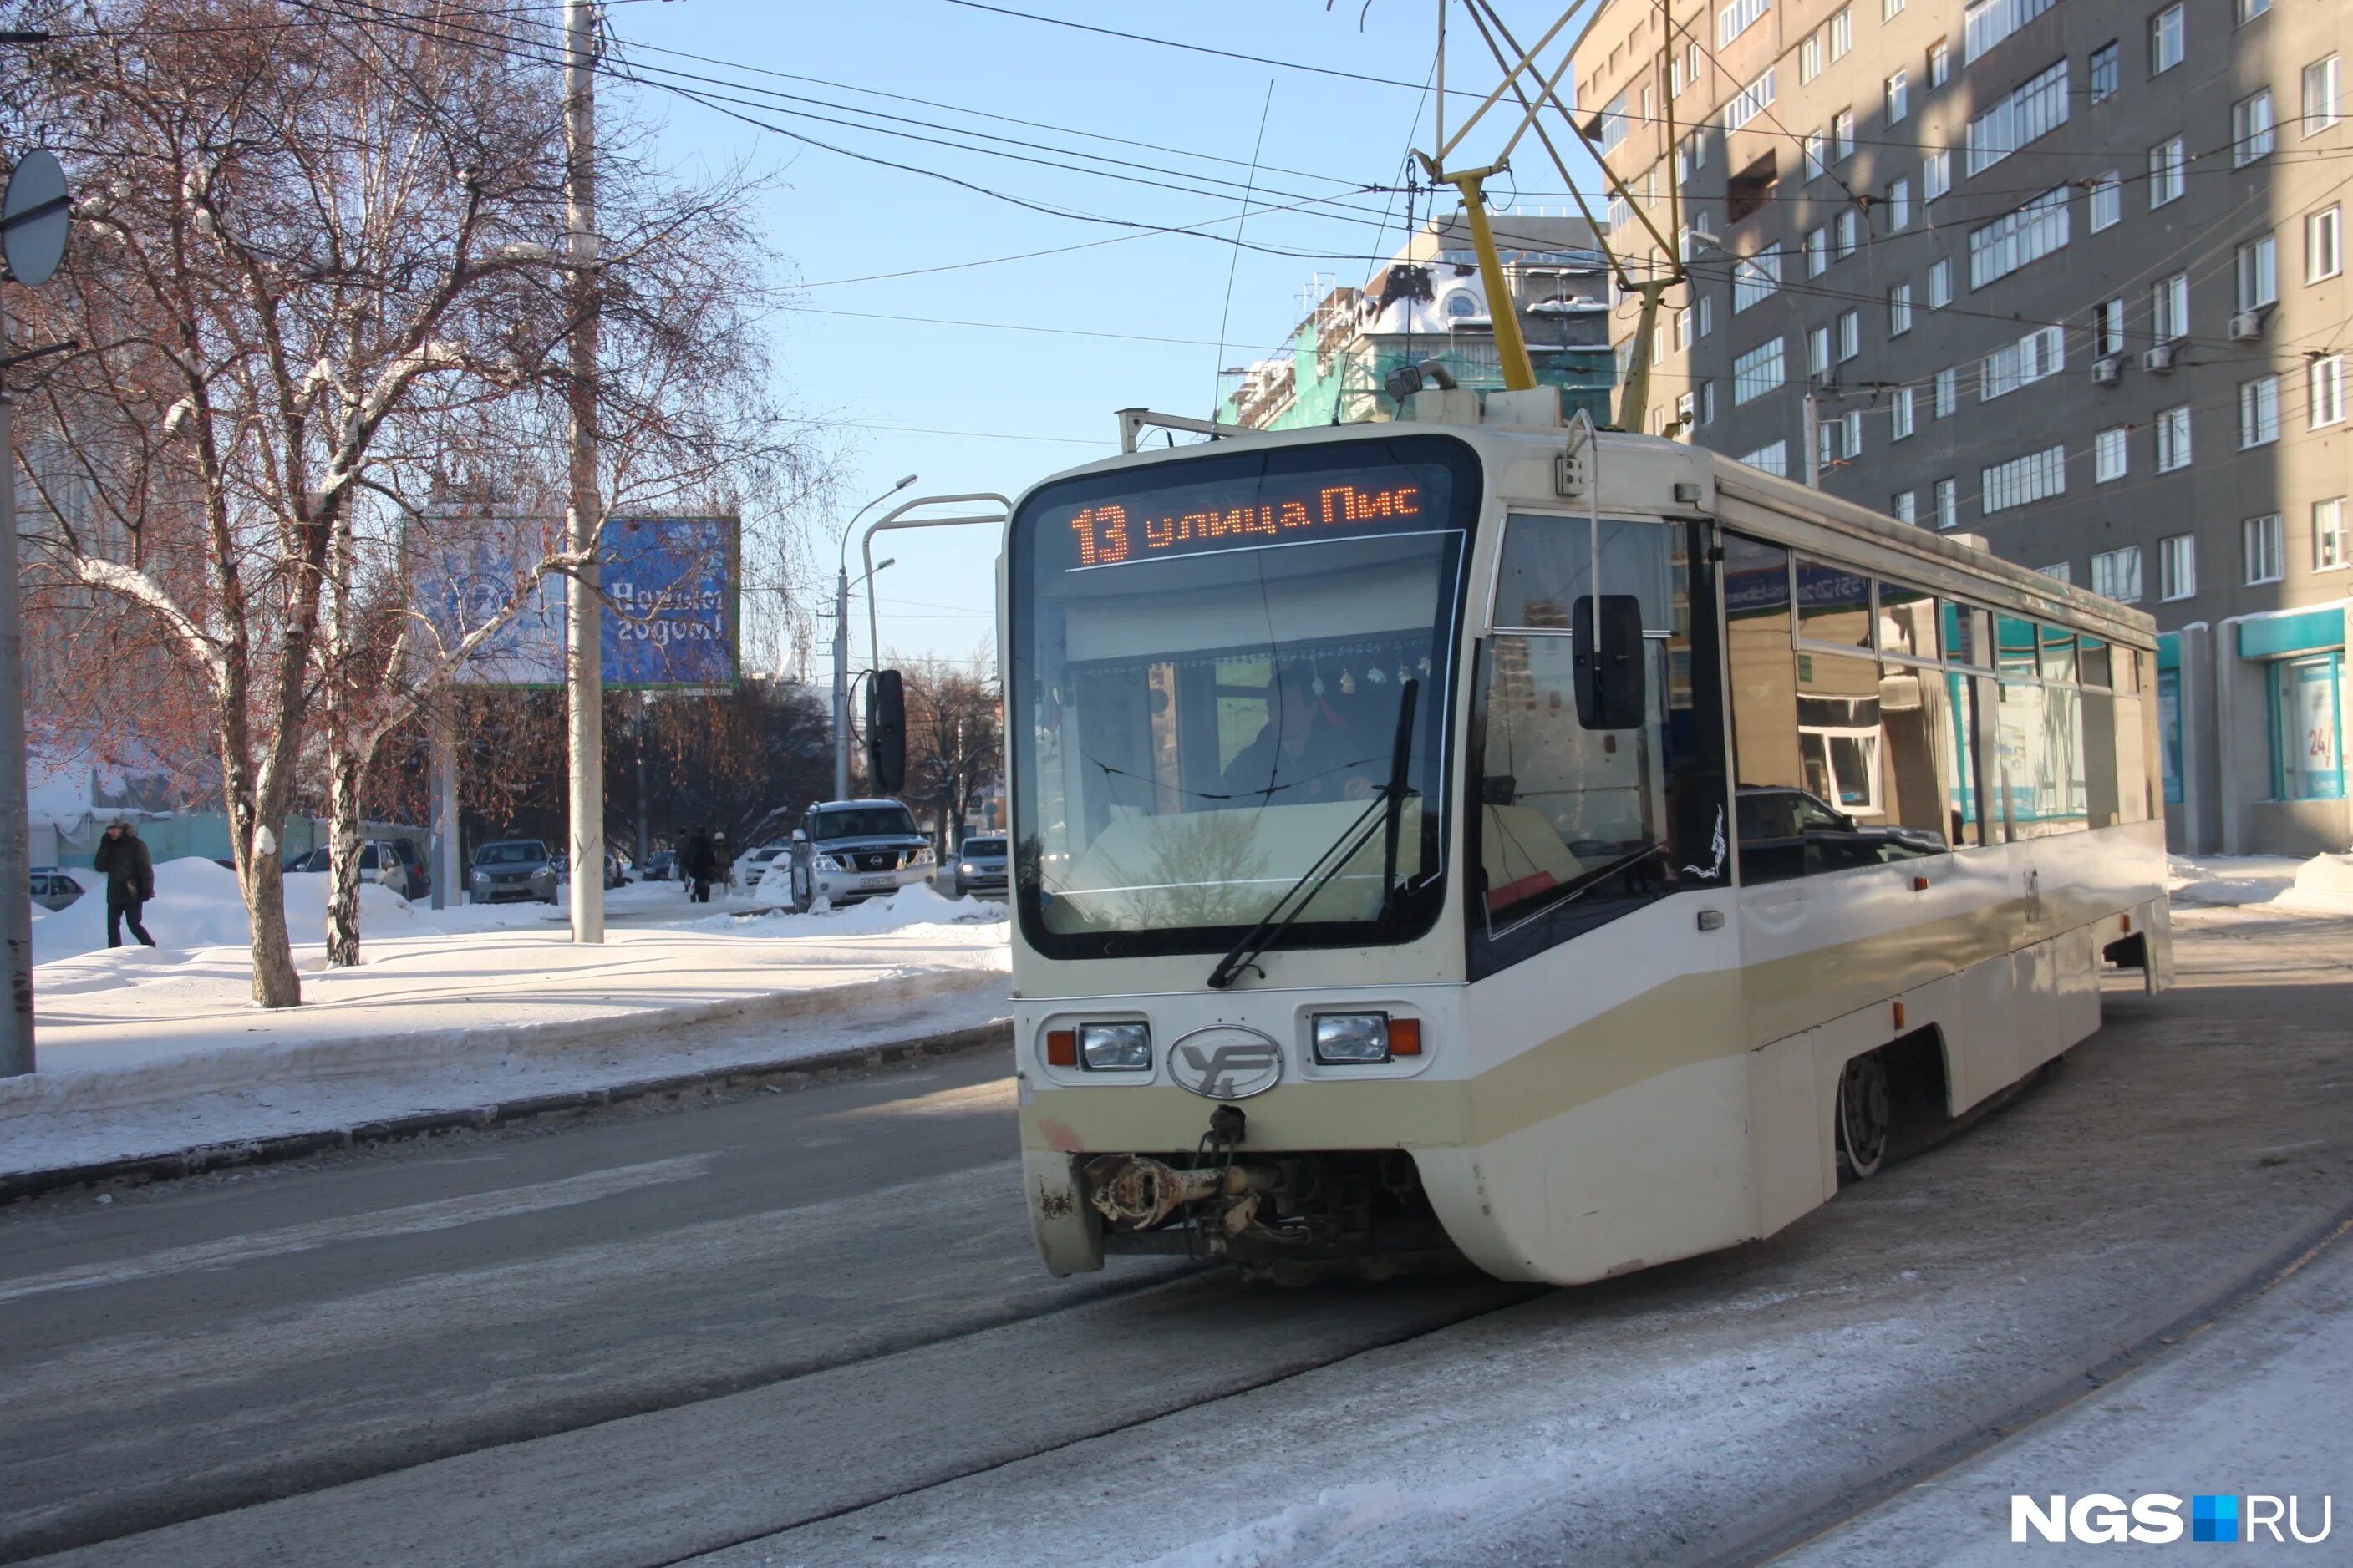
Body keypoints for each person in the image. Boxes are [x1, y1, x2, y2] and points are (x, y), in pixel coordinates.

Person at [1219, 663, 1383, 807]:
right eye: (1272, 706)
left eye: (1286, 706)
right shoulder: (1248, 763)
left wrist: (1361, 790)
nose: (1277, 714)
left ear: (1311, 710)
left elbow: (1356, 783)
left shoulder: (1339, 752)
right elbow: (1221, 807)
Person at [92, 817, 157, 948]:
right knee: (112, 926)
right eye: (109, 830)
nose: (112, 832)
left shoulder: (136, 845)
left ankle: (150, 946)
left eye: (115, 829)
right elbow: (100, 867)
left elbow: (145, 868)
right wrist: (104, 848)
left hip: (132, 891)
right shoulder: (109, 846)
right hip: (114, 892)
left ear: (122, 830)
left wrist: (147, 889)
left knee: (134, 924)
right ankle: (114, 952)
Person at [684, 829, 715, 904]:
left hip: (698, 873)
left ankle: (696, 894)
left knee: (698, 884)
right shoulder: (709, 852)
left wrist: (692, 872)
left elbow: (693, 863)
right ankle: (704, 897)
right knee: (706, 886)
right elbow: (713, 862)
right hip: (706, 873)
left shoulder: (696, 852)